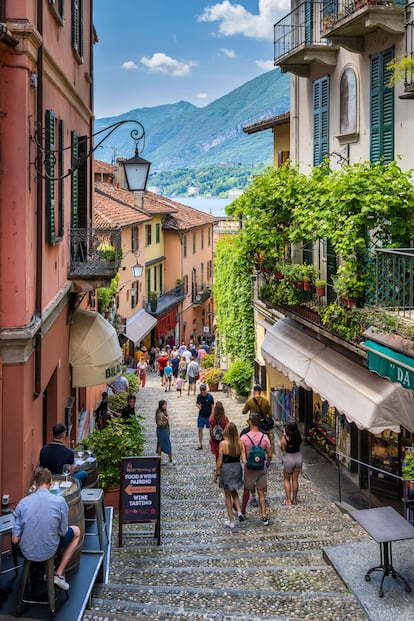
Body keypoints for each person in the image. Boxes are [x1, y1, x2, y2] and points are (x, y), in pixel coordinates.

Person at [12, 467, 81, 591]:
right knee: (76, 531)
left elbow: (15, 540)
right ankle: (58, 574)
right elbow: (63, 532)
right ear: (51, 483)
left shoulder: (23, 503)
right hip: (50, 550)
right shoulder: (60, 502)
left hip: (26, 552)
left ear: (35, 484)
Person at [241, 384, 273, 507]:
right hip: (263, 428)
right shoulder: (266, 401)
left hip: (251, 430)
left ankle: (253, 497)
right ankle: (264, 496)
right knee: (263, 447)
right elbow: (270, 414)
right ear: (261, 391)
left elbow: (243, 411)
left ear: (254, 391)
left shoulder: (250, 401)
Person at [240, 413, 272, 525]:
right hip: (261, 468)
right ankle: (264, 515)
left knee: (246, 491)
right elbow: (270, 454)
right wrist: (266, 464)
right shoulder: (264, 437)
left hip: (250, 469)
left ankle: (243, 511)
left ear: (250, 422)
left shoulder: (244, 438)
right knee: (261, 492)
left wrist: (245, 463)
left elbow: (242, 454)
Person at [215, 422, 246, 528]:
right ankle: (239, 511)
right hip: (237, 468)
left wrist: (216, 474)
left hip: (226, 469)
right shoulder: (240, 443)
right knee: (234, 490)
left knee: (227, 495)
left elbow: (219, 461)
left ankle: (231, 521)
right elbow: (244, 459)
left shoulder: (223, 444)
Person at [39, 424, 87, 488]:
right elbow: (71, 472)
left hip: (47, 480)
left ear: (52, 433)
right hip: (63, 481)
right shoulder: (69, 452)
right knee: (84, 474)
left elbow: (41, 468)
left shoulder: (43, 449)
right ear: (64, 434)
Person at [280, 420, 303, 505]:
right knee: (295, 479)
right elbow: (301, 442)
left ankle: (288, 500)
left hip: (289, 458)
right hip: (298, 458)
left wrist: (284, 436)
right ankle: (294, 500)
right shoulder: (299, 436)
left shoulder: (285, 438)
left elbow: (282, 448)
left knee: (286, 480)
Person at [155, 400, 176, 465]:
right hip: (162, 430)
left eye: (166, 404)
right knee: (167, 444)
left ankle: (159, 458)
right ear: (161, 405)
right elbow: (160, 424)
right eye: (164, 404)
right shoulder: (160, 413)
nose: (166, 406)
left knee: (160, 444)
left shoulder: (162, 411)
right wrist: (167, 419)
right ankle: (170, 459)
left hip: (161, 430)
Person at [196, 384, 214, 450]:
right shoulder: (199, 396)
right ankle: (200, 444)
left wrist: (212, 414)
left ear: (205, 390)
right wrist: (198, 406)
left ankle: (212, 443)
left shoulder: (210, 396)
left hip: (208, 416)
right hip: (201, 415)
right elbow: (196, 403)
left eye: (203, 390)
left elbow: (212, 406)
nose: (202, 392)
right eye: (201, 390)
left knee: (210, 430)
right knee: (200, 429)